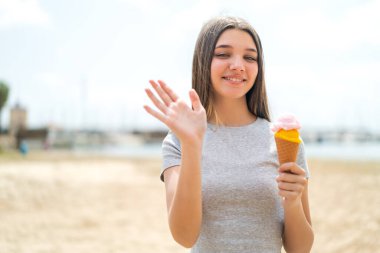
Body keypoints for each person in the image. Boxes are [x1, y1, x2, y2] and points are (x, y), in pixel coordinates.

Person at [144, 16, 314, 253]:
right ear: (203, 62)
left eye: (250, 57)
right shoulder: (178, 141)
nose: (238, 65)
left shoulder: (284, 139)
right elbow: (185, 237)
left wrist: (293, 201)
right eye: (223, 54)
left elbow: (300, 249)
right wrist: (192, 144)